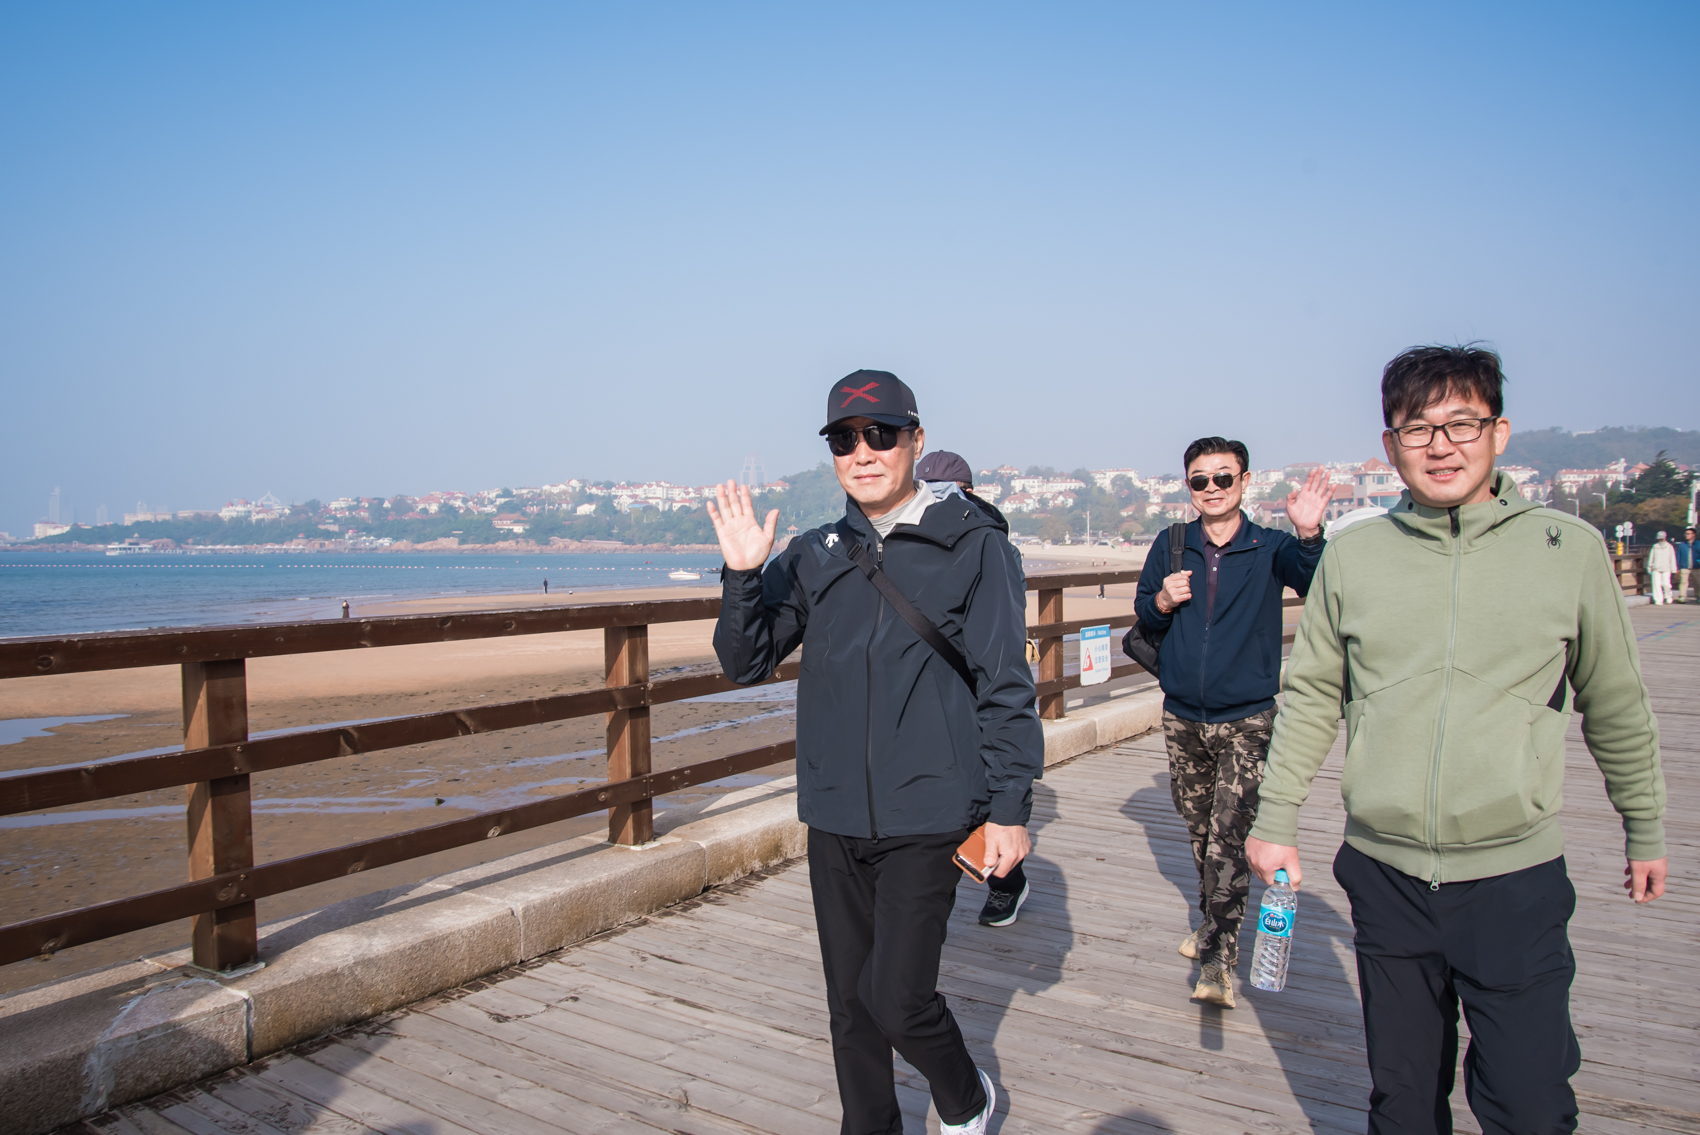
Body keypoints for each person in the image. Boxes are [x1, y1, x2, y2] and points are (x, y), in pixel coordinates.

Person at [1247, 344, 1667, 1134]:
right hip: (1386, 872)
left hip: (1515, 874)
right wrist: (1276, 818)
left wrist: (1643, 824)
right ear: (1390, 446)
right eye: (1418, 428)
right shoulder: (1354, 556)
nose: (1440, 445)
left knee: (1532, 1103)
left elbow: (1616, 701)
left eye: (1462, 423)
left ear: (1498, 432)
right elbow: (1311, 696)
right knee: (1403, 1102)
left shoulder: (1567, 550)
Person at [708, 370, 1042, 1135]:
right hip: (834, 812)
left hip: (931, 809)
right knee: (850, 1006)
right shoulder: (816, 552)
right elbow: (745, 660)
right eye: (844, 439)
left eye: (880, 434)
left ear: (915, 440)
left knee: (896, 995)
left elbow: (1005, 683)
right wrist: (743, 575)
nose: (862, 452)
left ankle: (966, 1096)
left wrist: (1010, 808)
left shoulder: (975, 545)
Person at [1130, 440, 1331, 1008]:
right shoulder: (1172, 544)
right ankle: (1211, 921)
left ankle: (1218, 958)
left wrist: (1310, 534)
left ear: (1245, 481)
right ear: (1188, 487)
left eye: (1224, 477)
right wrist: (1162, 601)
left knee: (1229, 837)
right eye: (1201, 480)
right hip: (1182, 717)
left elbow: (1315, 582)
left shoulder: (1271, 547)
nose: (1212, 488)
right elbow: (1143, 613)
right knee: (1200, 832)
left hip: (1248, 719)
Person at [917, 449, 1033, 930]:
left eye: (947, 493)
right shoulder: (908, 536)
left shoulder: (988, 540)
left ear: (967, 493)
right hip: (929, 689)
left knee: (981, 797)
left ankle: (1006, 882)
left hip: (978, 682)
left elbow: (1004, 623)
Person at [1648, 530, 1677, 604]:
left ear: (1665, 538)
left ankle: (1668, 596)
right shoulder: (1655, 546)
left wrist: (1674, 569)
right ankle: (1658, 600)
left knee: (1666, 584)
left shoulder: (1669, 547)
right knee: (1656, 585)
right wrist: (1649, 567)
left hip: (1667, 568)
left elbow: (1672, 558)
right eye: (1659, 538)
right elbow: (1651, 557)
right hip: (1656, 568)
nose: (1660, 540)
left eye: (1662, 538)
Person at [1677, 527, 1697, 602]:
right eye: (1686, 534)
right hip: (1684, 566)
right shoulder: (1682, 545)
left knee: (1697, 583)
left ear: (1693, 534)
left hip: (1696, 567)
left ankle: (1698, 596)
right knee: (1683, 582)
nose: (1686, 535)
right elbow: (1678, 555)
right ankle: (1682, 597)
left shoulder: (1698, 544)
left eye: (1688, 534)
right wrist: (1677, 566)